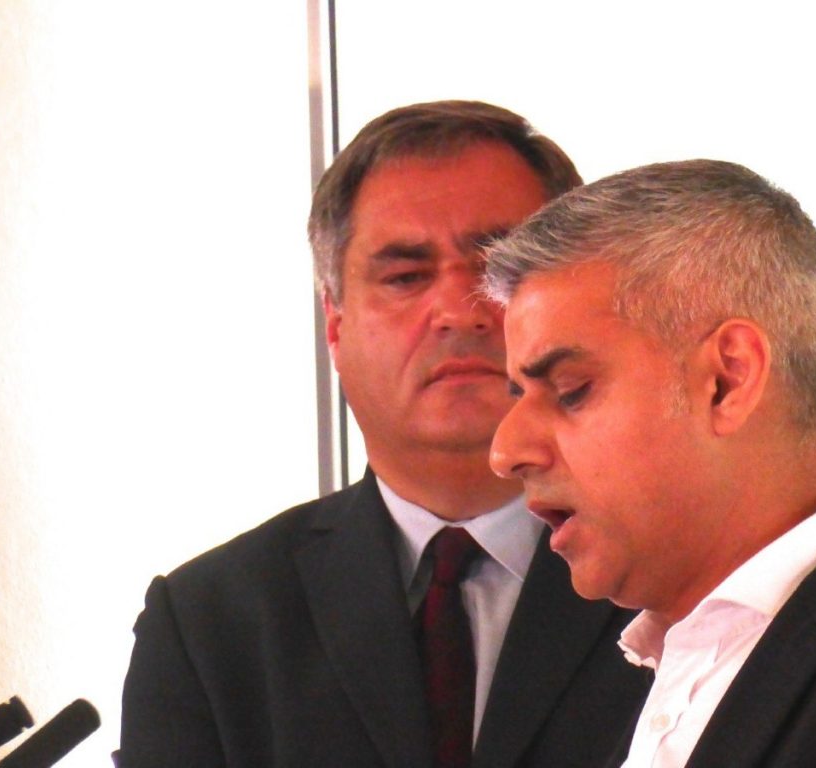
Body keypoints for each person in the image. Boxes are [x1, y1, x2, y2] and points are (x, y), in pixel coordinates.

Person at [119, 101, 648, 768]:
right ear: (335, 326)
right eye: (405, 277)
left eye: (498, 270)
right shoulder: (210, 623)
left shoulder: (685, 580)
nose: (459, 311)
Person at [482, 158, 816, 767]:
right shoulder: (653, 679)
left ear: (727, 379)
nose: (506, 452)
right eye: (516, 396)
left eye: (570, 388)